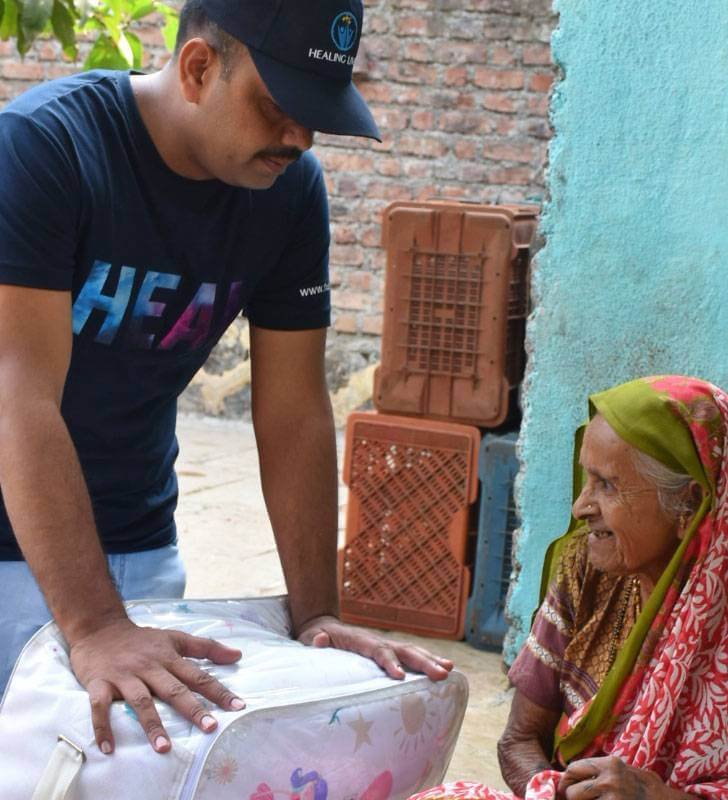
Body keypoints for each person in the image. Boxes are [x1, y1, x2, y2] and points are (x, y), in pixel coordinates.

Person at [0, 0, 452, 759]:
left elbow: (295, 412)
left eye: (316, 114)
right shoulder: (44, 149)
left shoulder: (289, 193)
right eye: (279, 106)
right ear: (199, 68)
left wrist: (316, 615)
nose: (299, 137)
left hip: (138, 543)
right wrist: (95, 626)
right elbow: (18, 394)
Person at [409, 375, 728, 799]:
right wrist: (560, 794)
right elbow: (519, 741)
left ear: (688, 502)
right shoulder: (587, 569)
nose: (580, 508)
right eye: (586, 479)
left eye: (607, 485)